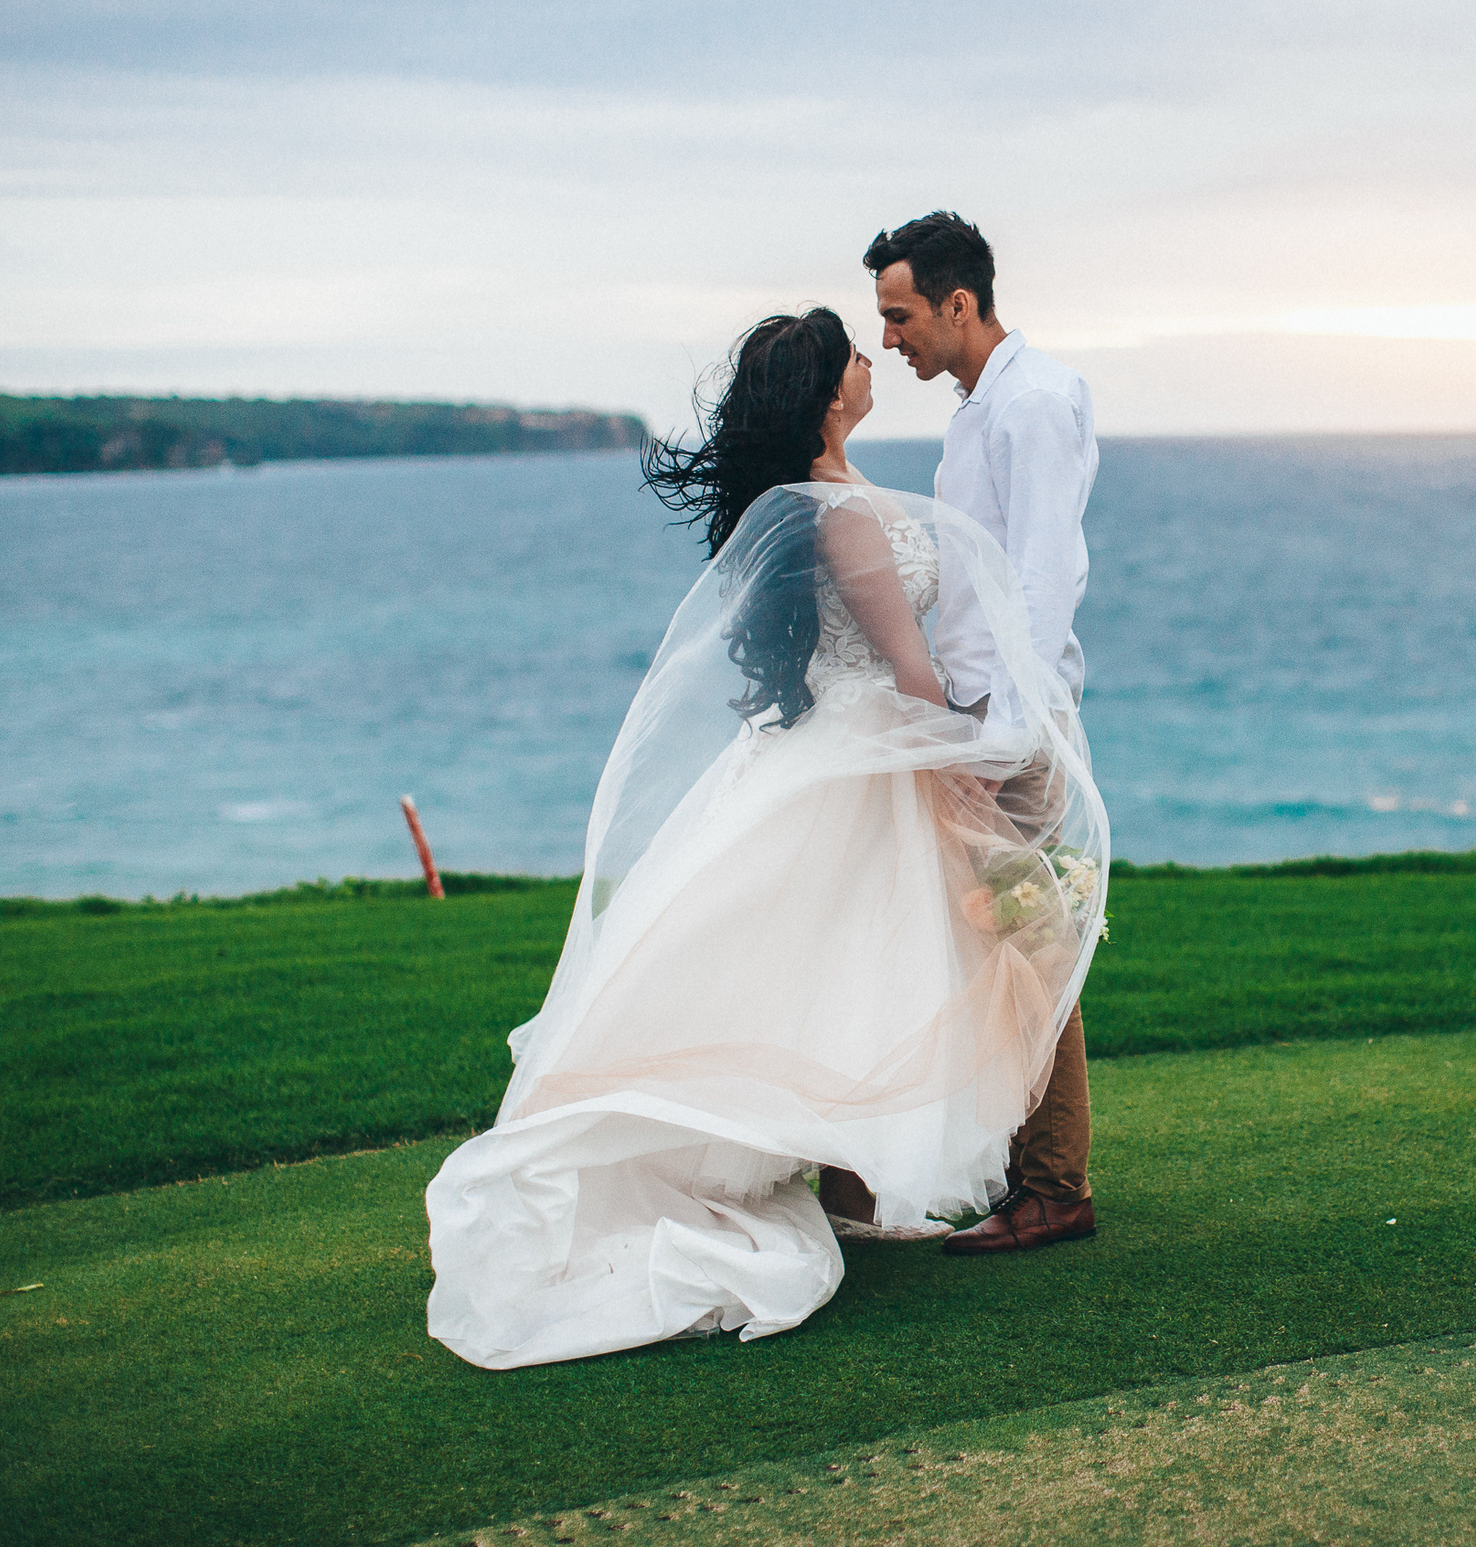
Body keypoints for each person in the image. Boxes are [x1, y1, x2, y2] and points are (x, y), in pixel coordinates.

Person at [423, 307, 1109, 1369]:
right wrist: (970, 764)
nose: (873, 358)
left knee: (844, 964)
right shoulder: (841, 510)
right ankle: (886, 1184)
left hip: (843, 744)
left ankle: (858, 1186)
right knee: (864, 959)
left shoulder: (831, 491)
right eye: (855, 354)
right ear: (829, 393)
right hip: (871, 748)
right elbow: (905, 665)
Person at [859, 212, 1103, 1256]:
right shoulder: (980, 409)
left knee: (1029, 944)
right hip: (978, 716)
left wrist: (1004, 736)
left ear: (959, 303)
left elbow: (1044, 578)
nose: (889, 340)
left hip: (1013, 722)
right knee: (996, 941)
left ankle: (1053, 1189)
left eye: (901, 316)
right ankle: (1025, 1173)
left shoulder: (1033, 402)